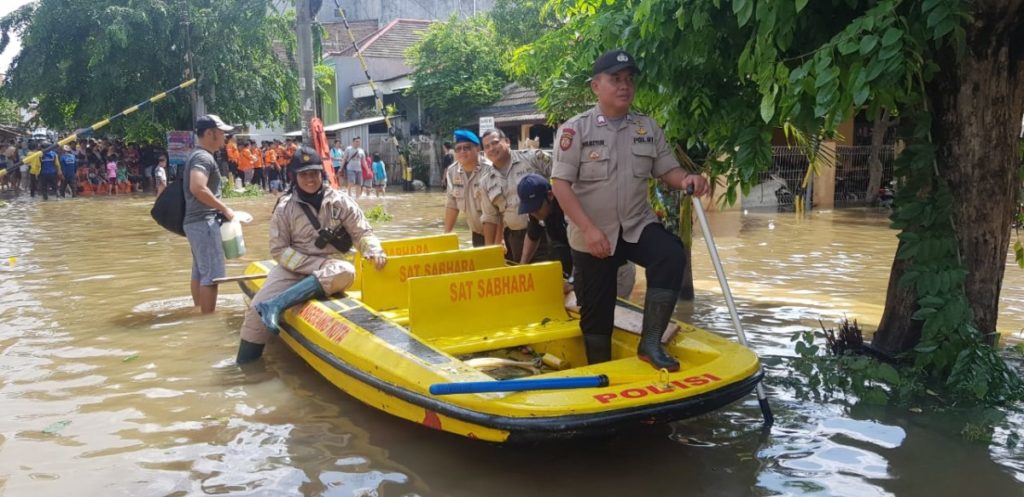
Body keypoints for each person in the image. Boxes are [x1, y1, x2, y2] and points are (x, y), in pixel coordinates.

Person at [551, 49, 708, 371]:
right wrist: (589, 230)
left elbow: (668, 171)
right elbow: (560, 185)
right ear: (596, 86)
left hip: (635, 225)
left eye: (629, 80)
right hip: (591, 233)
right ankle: (600, 370)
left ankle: (650, 342)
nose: (624, 86)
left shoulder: (647, 127)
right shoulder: (575, 130)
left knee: (670, 254)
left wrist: (687, 179)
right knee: (596, 317)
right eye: (615, 79)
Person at [236, 146, 388, 364]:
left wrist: (374, 250)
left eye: (314, 173)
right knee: (254, 316)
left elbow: (362, 232)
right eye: (304, 174)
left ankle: (277, 305)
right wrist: (312, 265)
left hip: (332, 268)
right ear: (294, 177)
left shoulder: (341, 201)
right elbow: (279, 250)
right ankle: (244, 368)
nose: (310, 179)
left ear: (322, 174)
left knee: (345, 270)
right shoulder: (284, 208)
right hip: (293, 270)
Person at [183, 114, 236, 314]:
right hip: (204, 222)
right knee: (212, 276)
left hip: (194, 222)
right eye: (222, 133)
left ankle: (198, 312)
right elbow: (197, 187)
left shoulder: (197, 155)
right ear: (209, 133)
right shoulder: (203, 157)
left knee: (200, 271)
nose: (225, 137)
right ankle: (207, 321)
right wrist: (224, 209)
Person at [479, 128, 552, 262]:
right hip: (515, 237)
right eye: (487, 146)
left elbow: (563, 175)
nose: (491, 148)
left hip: (546, 230)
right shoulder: (486, 181)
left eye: (495, 143)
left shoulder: (533, 158)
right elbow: (490, 218)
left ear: (507, 142)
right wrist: (490, 251)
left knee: (555, 275)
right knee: (523, 277)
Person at [443, 129, 493, 247]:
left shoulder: (490, 170)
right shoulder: (452, 171)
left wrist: (494, 243)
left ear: (478, 149)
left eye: (467, 148)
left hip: (498, 234)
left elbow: (496, 211)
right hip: (477, 233)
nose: (462, 152)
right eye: (458, 148)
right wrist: (446, 235)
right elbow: (452, 205)